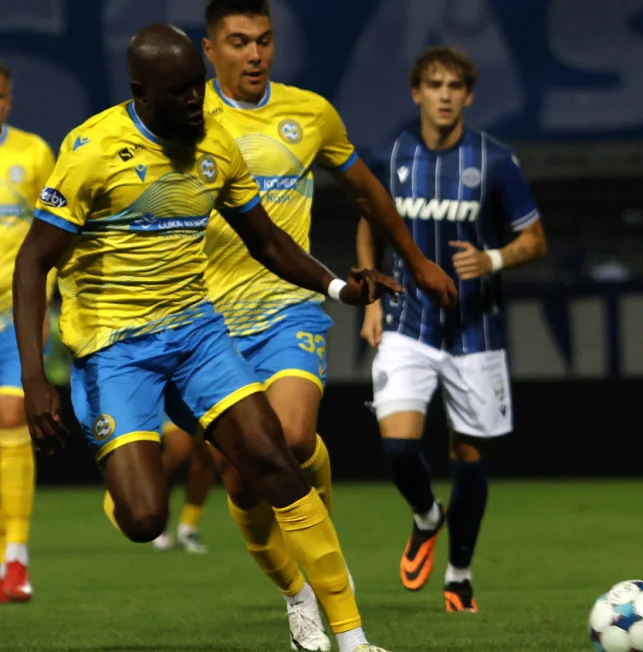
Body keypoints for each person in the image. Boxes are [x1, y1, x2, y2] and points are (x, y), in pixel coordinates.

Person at [14, 23, 397, 652]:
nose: (198, 100)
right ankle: (125, 469)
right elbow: (33, 264)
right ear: (143, 92)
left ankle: (348, 636)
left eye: (199, 85)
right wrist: (36, 380)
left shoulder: (216, 143)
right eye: (183, 91)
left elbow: (268, 241)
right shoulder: (91, 151)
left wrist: (340, 290)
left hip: (196, 334)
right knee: (143, 520)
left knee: (275, 458)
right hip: (114, 350)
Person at [198, 2, 457, 646]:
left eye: (264, 41)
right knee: (239, 475)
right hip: (205, 323)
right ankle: (297, 593)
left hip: (290, 307)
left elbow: (366, 188)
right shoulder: (186, 121)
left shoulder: (310, 113)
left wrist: (417, 258)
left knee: (287, 438)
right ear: (210, 50)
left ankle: (325, 587)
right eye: (239, 43)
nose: (255, 54)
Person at [356, 45, 547, 613]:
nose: (444, 95)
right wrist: (369, 298)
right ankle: (425, 516)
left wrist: (492, 260)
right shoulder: (391, 155)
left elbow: (535, 239)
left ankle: (459, 574)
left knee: (469, 460)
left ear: (467, 95)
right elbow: (369, 220)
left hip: (475, 331)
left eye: (455, 86)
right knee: (396, 447)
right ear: (416, 92)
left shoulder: (494, 160)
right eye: (434, 84)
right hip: (407, 321)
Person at [0, 61, 54, 604]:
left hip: (12, 316)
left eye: (0, 97)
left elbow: (51, 239)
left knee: (12, 416)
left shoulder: (34, 154)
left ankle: (16, 559)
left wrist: (42, 312)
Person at [151, 419, 215, 554]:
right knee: (179, 450)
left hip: (201, 400)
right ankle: (160, 513)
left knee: (207, 456)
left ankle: (188, 527)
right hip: (170, 400)